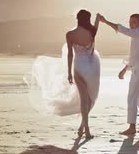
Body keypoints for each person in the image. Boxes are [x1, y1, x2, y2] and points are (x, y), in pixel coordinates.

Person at [26, 9, 100, 139]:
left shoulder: (70, 34)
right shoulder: (92, 31)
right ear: (88, 19)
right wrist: (98, 19)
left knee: (83, 99)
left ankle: (85, 129)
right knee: (90, 99)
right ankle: (83, 128)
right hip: (92, 66)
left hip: (78, 66)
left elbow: (70, 54)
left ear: (77, 19)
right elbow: (96, 26)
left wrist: (69, 73)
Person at [98, 13, 139, 135]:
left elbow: (122, 29)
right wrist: (124, 69)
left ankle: (132, 127)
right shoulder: (138, 35)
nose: (131, 24)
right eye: (130, 22)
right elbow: (134, 57)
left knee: (132, 98)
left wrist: (105, 21)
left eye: (133, 22)